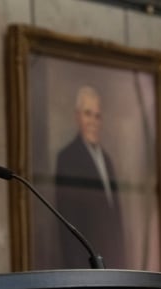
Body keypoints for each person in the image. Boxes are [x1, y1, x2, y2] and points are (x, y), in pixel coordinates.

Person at [54, 85, 126, 268]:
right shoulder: (67, 158)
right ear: (77, 116)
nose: (93, 121)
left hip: (113, 264)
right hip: (87, 268)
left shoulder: (107, 160)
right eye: (88, 114)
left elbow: (115, 220)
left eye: (97, 115)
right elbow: (69, 231)